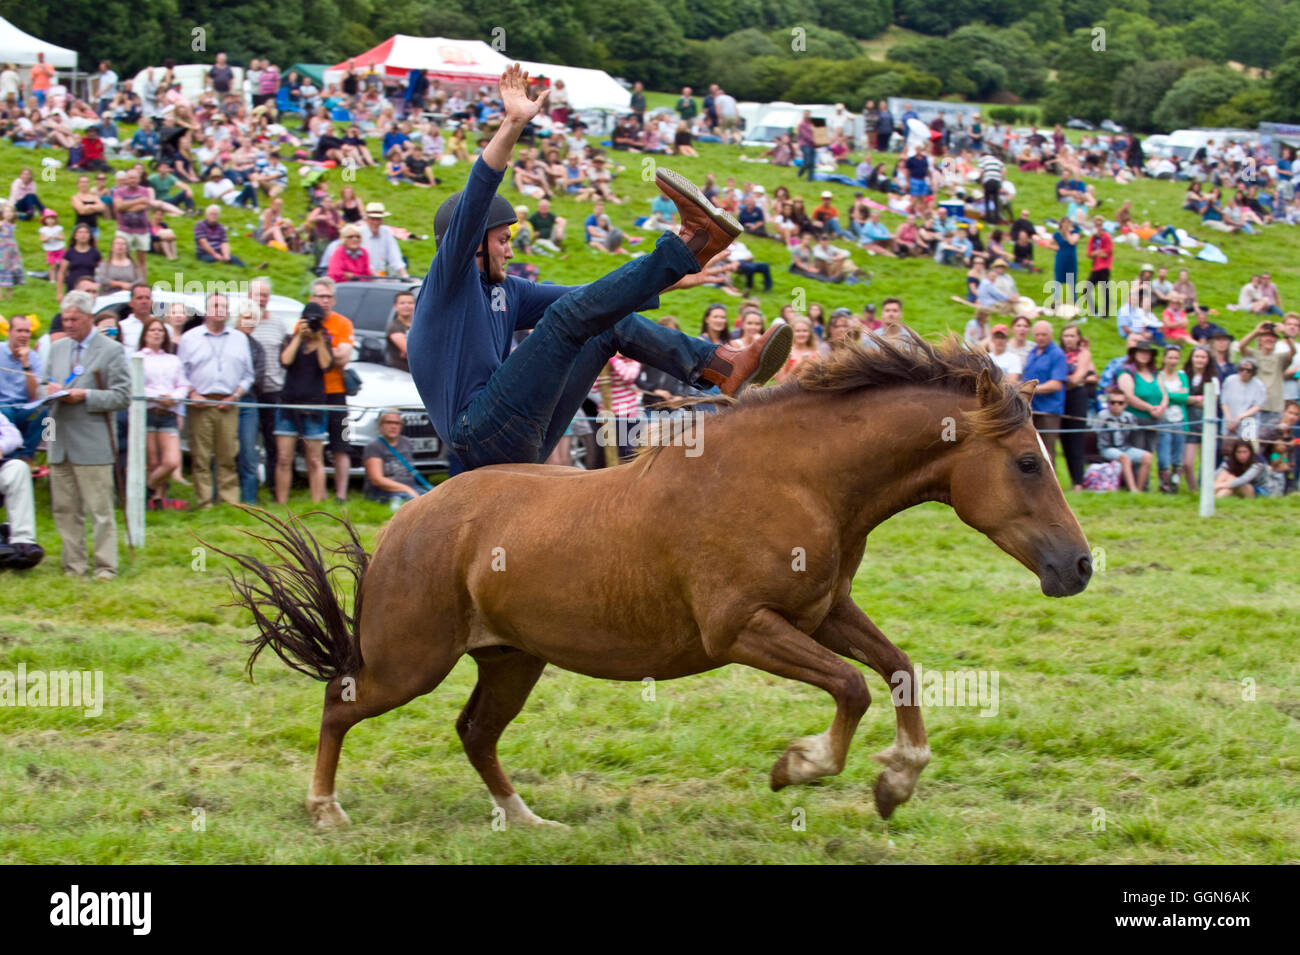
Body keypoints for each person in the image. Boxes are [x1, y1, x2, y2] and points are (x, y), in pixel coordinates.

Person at [408, 65, 790, 476]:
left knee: (603, 321)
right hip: (476, 433)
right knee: (566, 319)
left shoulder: (507, 292)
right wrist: (513, 124)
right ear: (474, 245)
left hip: (523, 437)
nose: (510, 248)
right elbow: (478, 195)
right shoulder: (448, 282)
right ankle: (689, 243)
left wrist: (671, 280)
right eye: (502, 239)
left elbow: (591, 298)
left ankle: (720, 366)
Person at [44, 290, 131, 579]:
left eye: (74, 319)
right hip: (60, 440)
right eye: (65, 319)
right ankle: (74, 565)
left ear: (89, 318)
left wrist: (86, 395)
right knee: (65, 509)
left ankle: (105, 566)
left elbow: (122, 396)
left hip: (93, 443)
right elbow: (47, 383)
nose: (67, 324)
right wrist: (48, 392)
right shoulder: (56, 349)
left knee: (100, 510)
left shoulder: (111, 350)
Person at [178, 293, 255, 507]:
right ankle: (204, 502)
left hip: (229, 403)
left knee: (228, 455)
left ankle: (229, 502)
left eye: (223, 306)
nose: (219, 309)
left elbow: (248, 374)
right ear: (207, 311)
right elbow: (180, 373)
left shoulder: (239, 338)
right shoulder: (190, 338)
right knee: (200, 456)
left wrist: (235, 395)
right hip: (200, 403)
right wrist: (192, 393)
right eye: (215, 306)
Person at [275, 302, 333, 504]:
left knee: (315, 459)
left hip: (314, 407)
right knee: (284, 458)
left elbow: (326, 366)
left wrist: (318, 341)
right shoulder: (290, 339)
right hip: (288, 405)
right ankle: (281, 503)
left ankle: (317, 503)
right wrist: (299, 336)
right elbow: (285, 361)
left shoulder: (324, 341)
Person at [304, 278, 356, 502]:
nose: (324, 301)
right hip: (311, 393)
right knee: (312, 446)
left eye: (328, 297)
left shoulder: (343, 323)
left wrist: (321, 349)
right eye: (319, 296)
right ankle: (319, 491)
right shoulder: (302, 323)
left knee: (341, 445)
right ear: (311, 299)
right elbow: (303, 357)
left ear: (334, 300)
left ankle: (341, 494)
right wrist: (331, 352)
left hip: (337, 392)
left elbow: (344, 358)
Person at [137, 315, 188, 510]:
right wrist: (160, 396)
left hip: (169, 414)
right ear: (145, 335)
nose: (156, 333)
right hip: (149, 411)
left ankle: (147, 489)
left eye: (160, 330)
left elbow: (183, 384)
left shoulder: (173, 360)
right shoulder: (138, 358)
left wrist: (173, 398)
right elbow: (138, 385)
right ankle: (156, 501)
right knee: (153, 461)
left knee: (171, 461)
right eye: (152, 330)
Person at [1023, 320, 1069, 469]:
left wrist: (1031, 390)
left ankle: (1052, 485)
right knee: (1031, 449)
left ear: (1051, 335)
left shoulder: (1057, 354)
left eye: (1044, 334)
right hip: (1031, 408)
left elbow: (1056, 384)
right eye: (1037, 334)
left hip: (1049, 410)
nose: (1040, 337)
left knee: (1047, 451)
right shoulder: (1032, 352)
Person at [1237, 320, 1296, 429]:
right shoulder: (1253, 354)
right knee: (1250, 440)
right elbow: (1241, 346)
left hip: (1274, 406)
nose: (1269, 339)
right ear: (1260, 339)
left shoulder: (1280, 358)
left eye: (1273, 337)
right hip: (1254, 407)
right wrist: (1256, 332)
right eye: (1266, 336)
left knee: (1270, 441)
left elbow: (1293, 351)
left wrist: (1285, 333)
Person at [1094, 391, 1153, 493]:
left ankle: (1139, 489)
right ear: (1108, 403)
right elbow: (1094, 432)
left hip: (1125, 447)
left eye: (1120, 402)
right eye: (1113, 402)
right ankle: (1132, 490)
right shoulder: (1102, 416)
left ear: (1125, 404)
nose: (1116, 405)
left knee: (1147, 456)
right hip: (1107, 448)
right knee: (1124, 458)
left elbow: (1135, 430)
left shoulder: (1129, 416)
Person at [1155, 344, 1190, 493]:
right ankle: (1164, 484)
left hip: (1179, 419)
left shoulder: (1182, 375)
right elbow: (1161, 395)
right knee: (1163, 455)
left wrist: (1170, 395)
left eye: (1176, 357)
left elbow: (1185, 397)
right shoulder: (1158, 376)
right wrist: (1172, 395)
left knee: (1177, 455)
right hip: (1164, 420)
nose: (1173, 360)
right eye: (1170, 357)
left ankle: (1175, 484)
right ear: (1164, 358)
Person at [360, 202, 408, 278]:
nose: (376, 222)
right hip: (362, 277)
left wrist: (405, 275)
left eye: (378, 219)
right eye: (373, 219)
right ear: (367, 219)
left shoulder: (386, 232)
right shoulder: (359, 233)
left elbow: (395, 257)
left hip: (381, 276)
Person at [386, 289, 415, 372]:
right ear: (395, 306)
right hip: (400, 373)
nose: (407, 306)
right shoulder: (394, 327)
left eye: (410, 303)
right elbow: (409, 351)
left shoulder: (418, 326)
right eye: (402, 303)